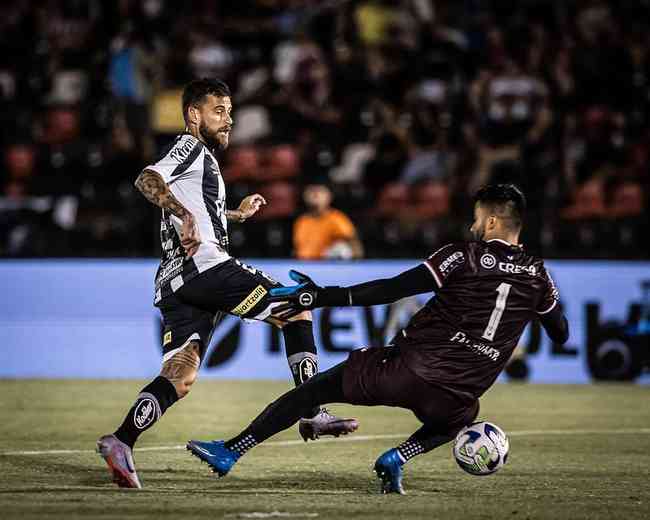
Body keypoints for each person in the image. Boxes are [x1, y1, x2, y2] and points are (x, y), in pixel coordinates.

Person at [186, 184, 569, 494]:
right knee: (462, 418)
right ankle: (399, 457)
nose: (472, 226)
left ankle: (231, 451)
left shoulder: (462, 255)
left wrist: (322, 296)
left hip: (406, 368)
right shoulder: (539, 276)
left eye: (475, 218)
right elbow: (561, 332)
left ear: (490, 222)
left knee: (311, 392)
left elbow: (392, 289)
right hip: (456, 393)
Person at [96, 78, 357, 489]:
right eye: (219, 110)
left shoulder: (205, 164)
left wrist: (233, 214)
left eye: (230, 112)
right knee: (297, 308)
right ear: (193, 115)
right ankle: (312, 409)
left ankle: (121, 440)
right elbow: (147, 180)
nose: (228, 119)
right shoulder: (189, 147)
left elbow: (198, 211)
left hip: (175, 279)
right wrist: (183, 215)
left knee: (179, 377)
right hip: (206, 267)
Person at [293, 182, 364, 260]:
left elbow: (354, 245)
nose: (315, 194)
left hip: (326, 266)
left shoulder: (336, 219)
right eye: (311, 191)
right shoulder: (302, 220)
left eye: (320, 191)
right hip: (302, 264)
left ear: (329, 197)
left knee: (341, 249)